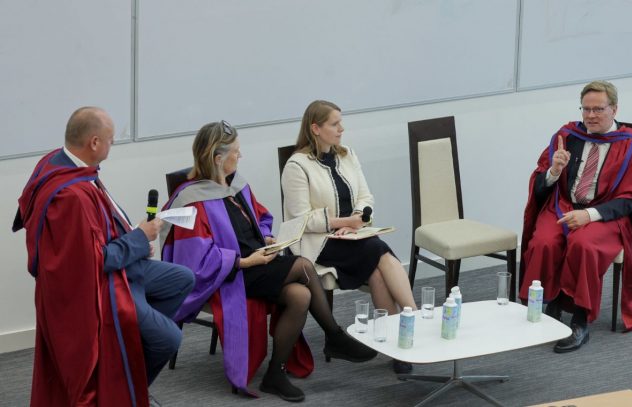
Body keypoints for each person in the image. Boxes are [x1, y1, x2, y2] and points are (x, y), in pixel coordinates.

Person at [160, 120, 377, 403]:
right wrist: (244, 262)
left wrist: (267, 237)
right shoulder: (191, 201)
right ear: (217, 158)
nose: (241, 156)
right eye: (236, 152)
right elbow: (194, 258)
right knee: (303, 266)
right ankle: (334, 335)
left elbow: (260, 218)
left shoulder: (235, 185)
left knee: (299, 295)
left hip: (258, 264)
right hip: (229, 274)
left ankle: (275, 374)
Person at [12, 107, 195, 406]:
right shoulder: (71, 196)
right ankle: (125, 389)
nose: (113, 145)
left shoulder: (59, 164)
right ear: (94, 143)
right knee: (168, 340)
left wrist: (133, 239)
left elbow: (95, 237)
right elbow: (95, 261)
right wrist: (138, 238)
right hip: (97, 285)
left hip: (117, 263)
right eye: (111, 140)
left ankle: (127, 373)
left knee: (181, 279)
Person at [281, 100, 418, 373]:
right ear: (316, 128)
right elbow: (301, 219)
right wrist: (345, 222)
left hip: (353, 236)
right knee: (377, 250)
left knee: (377, 269)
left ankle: (399, 344)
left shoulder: (347, 155)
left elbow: (366, 196)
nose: (342, 129)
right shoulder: (297, 166)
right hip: (317, 244)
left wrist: (358, 219)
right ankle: (414, 320)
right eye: (335, 124)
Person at [519, 81, 632, 353]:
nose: (590, 116)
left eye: (598, 109)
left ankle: (579, 320)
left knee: (583, 245)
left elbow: (629, 199)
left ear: (614, 109)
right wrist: (554, 170)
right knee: (544, 241)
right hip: (563, 205)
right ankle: (547, 305)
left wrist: (589, 215)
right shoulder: (567, 135)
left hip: (603, 215)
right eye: (586, 109)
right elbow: (540, 184)